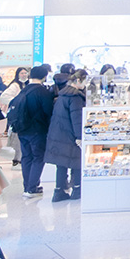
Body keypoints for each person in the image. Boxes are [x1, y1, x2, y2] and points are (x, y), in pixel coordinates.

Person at [44, 69, 87, 202]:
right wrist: (79, 136)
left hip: (58, 134)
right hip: (70, 135)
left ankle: (59, 191)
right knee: (77, 162)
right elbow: (77, 118)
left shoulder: (63, 94)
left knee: (61, 164)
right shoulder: (75, 97)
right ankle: (77, 189)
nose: (85, 84)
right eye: (85, 81)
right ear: (78, 80)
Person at [13, 66, 55, 198]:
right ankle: (32, 188)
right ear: (44, 76)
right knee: (38, 157)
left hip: (22, 129)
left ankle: (27, 186)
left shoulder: (24, 90)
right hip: (37, 130)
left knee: (26, 157)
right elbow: (48, 111)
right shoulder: (42, 92)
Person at [0, 66, 28, 167]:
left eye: (25, 73)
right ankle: (16, 159)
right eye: (22, 73)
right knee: (16, 138)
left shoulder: (27, 85)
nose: (24, 75)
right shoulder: (15, 86)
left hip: (25, 115)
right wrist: (17, 102)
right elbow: (4, 97)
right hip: (17, 116)